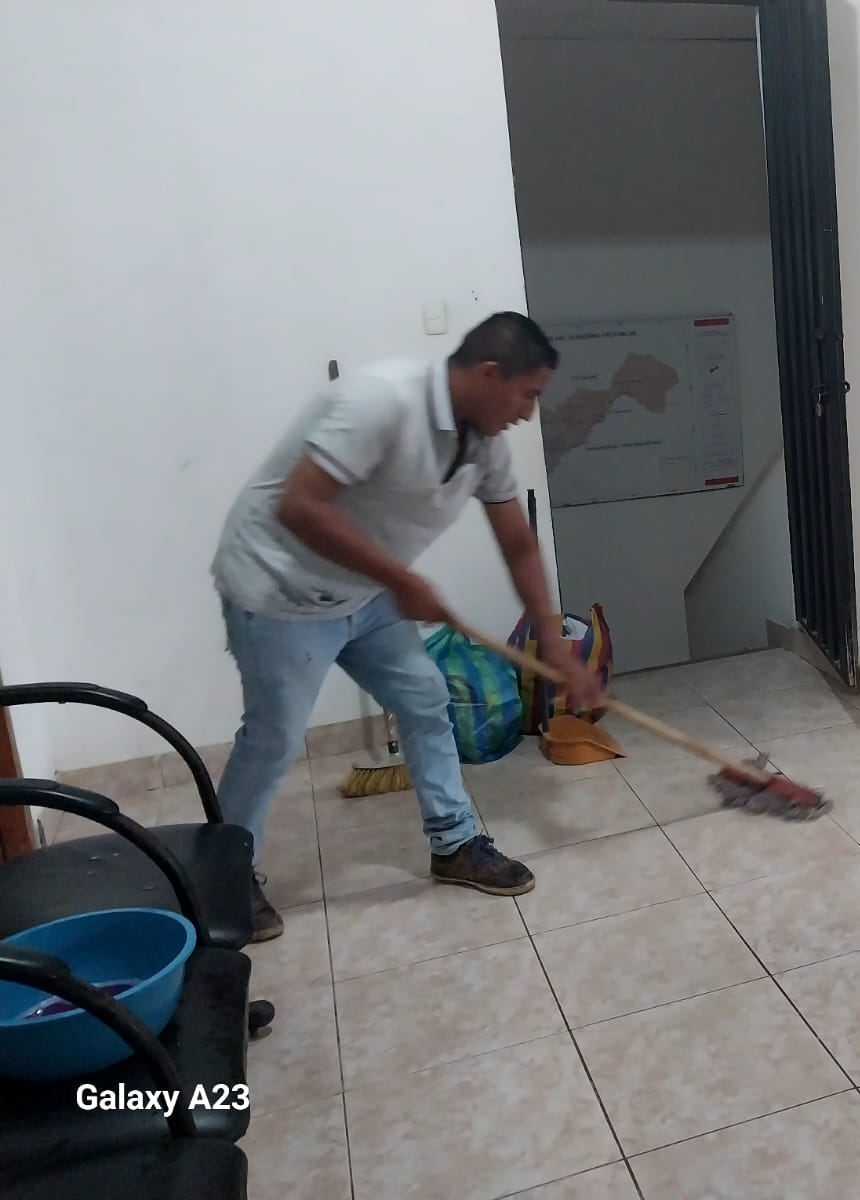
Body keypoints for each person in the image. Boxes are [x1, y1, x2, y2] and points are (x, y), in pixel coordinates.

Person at [211, 312, 602, 942]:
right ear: (489, 374)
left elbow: (518, 544)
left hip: (364, 592)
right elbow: (300, 507)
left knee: (425, 697)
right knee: (274, 737)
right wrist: (401, 580)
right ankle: (222, 877)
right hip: (279, 589)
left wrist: (553, 642)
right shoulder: (381, 402)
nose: (529, 413)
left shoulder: (484, 445)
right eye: (527, 395)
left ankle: (455, 843)